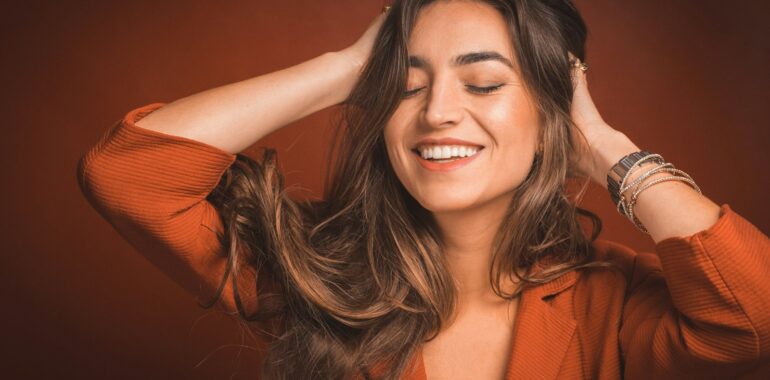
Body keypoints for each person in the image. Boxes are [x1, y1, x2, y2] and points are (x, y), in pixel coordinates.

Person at [76, 0, 770, 379]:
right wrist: (347, 66)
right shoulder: (311, 274)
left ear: (552, 114)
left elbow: (755, 319)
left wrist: (611, 151)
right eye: (407, 84)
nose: (437, 111)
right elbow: (127, 175)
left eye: (484, 83)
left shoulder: (613, 306)